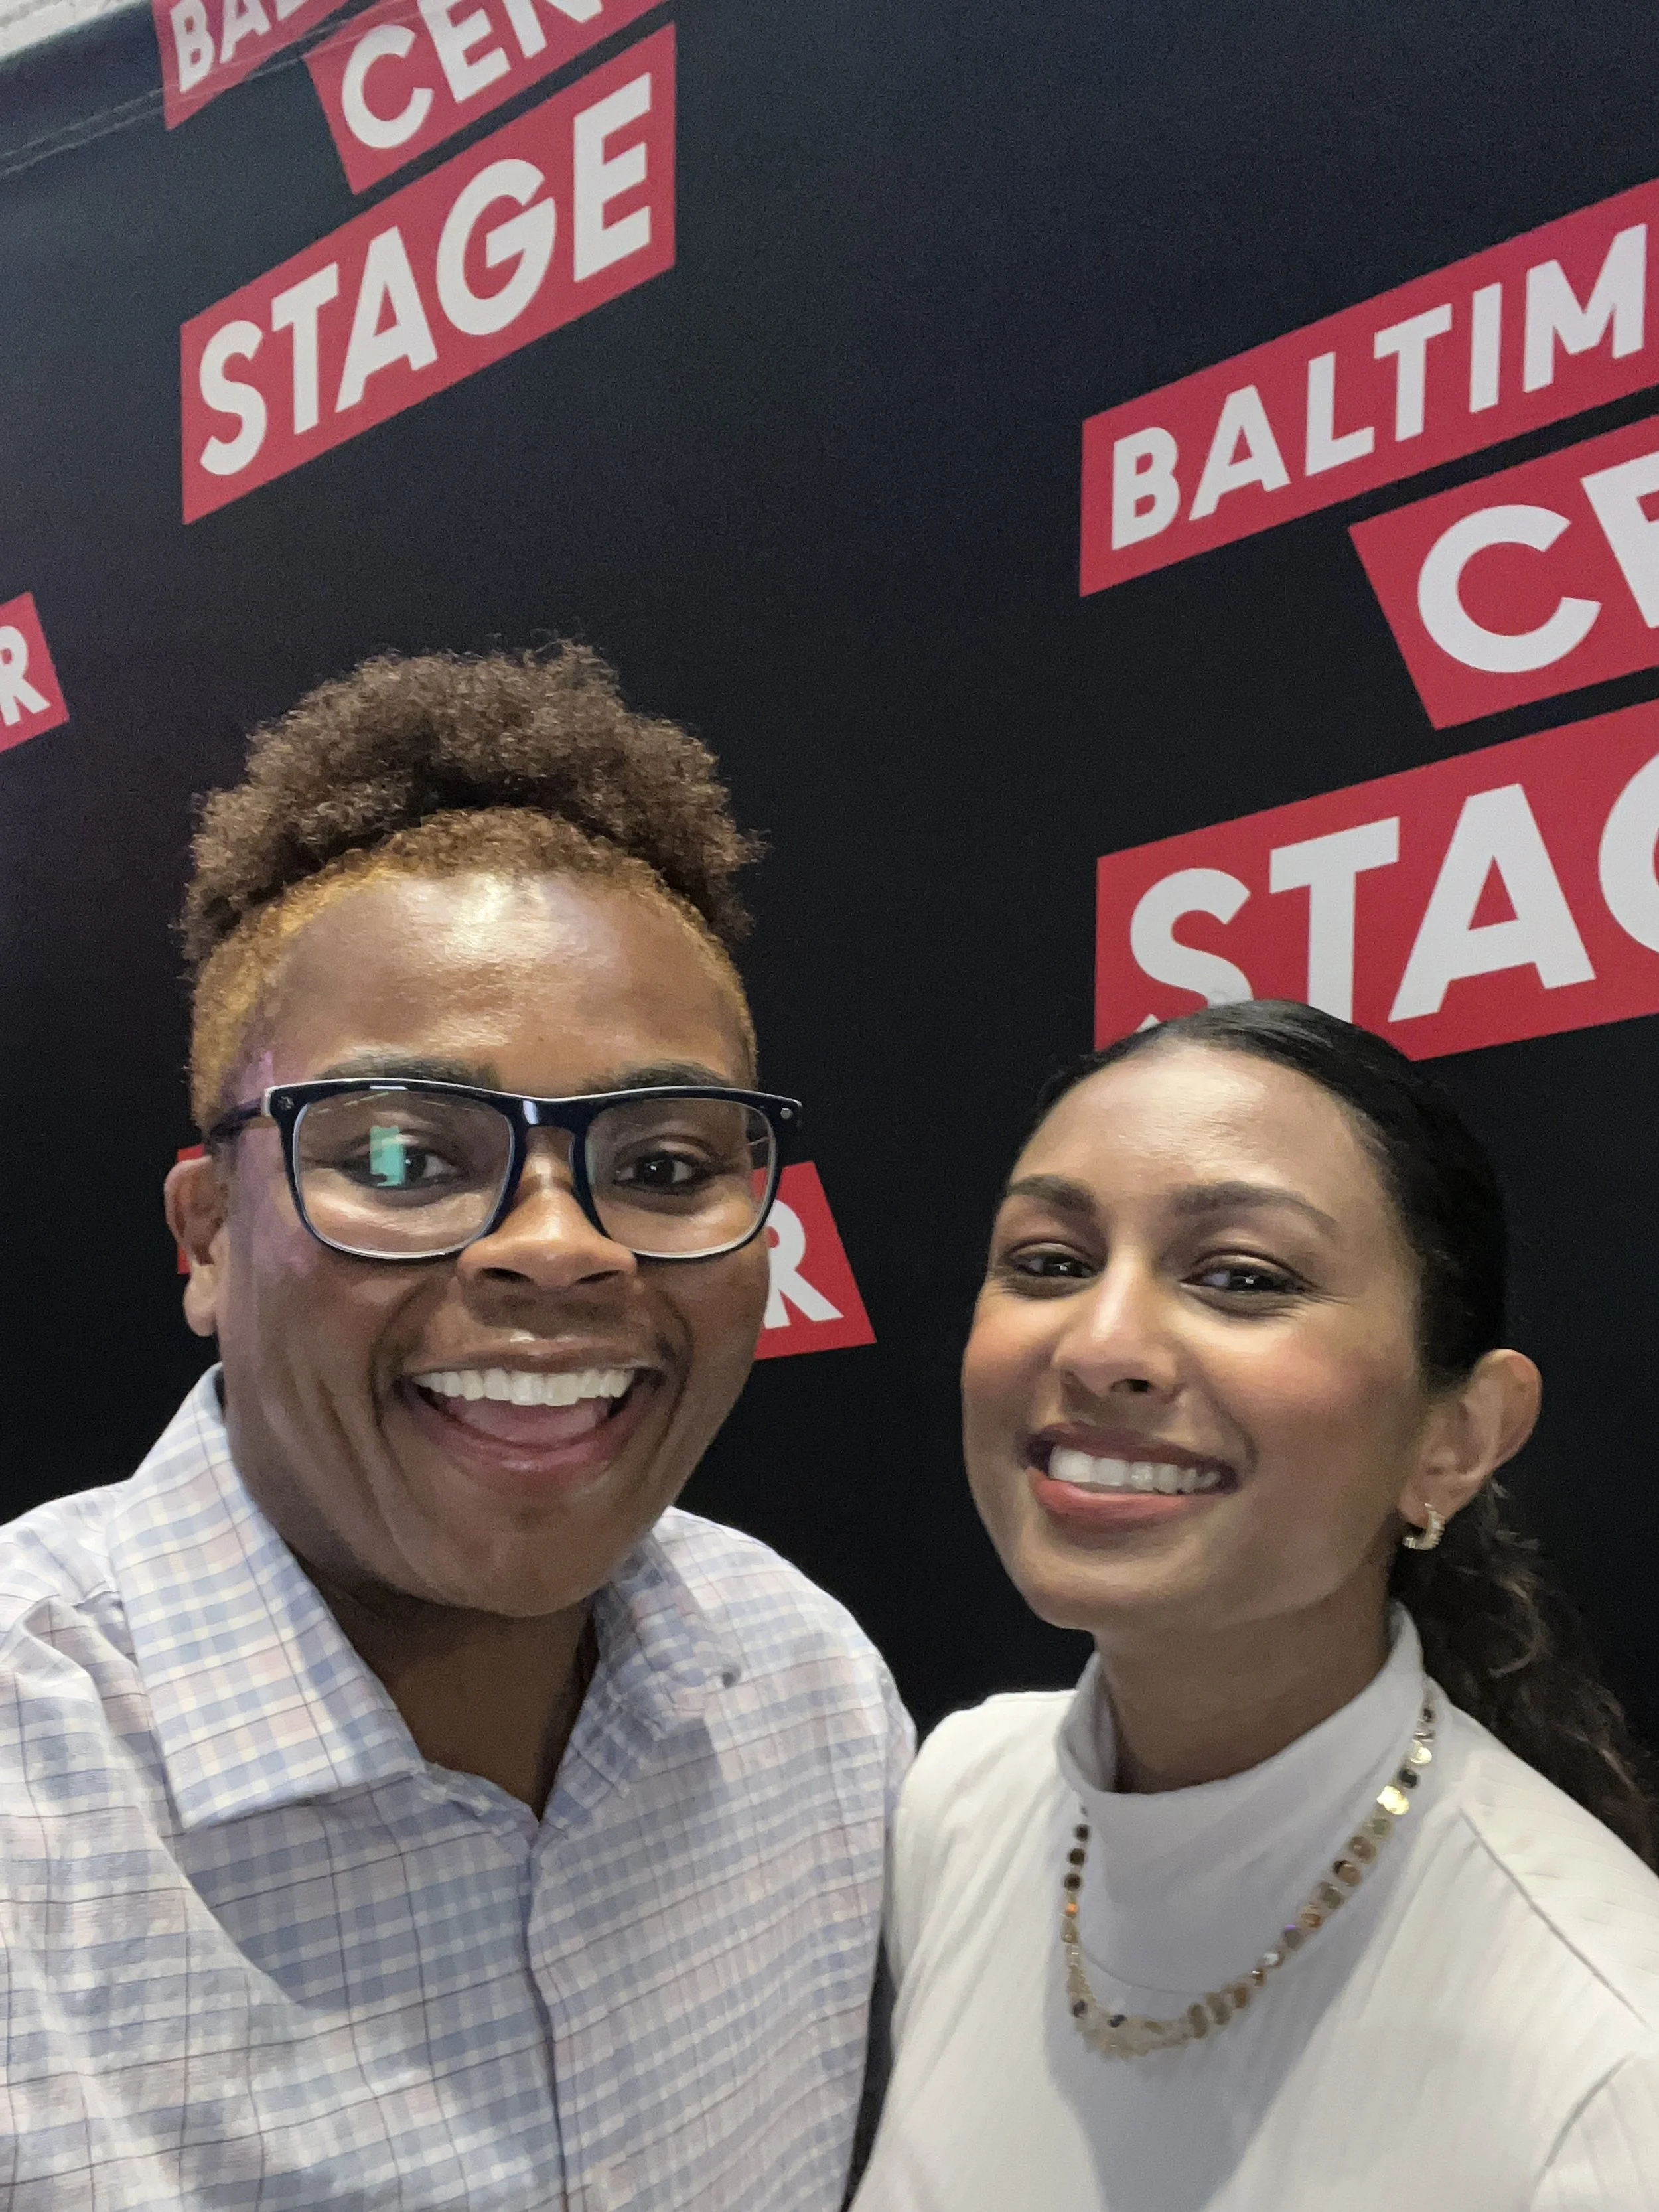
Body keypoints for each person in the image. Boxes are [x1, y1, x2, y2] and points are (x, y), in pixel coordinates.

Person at [0, 648, 909, 2209]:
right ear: (210, 1236)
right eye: (407, 1154)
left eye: (669, 1164)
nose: (559, 1246)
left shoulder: (806, 1686)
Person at [853, 999, 1659, 2212]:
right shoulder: (961, 1799)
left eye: (1240, 1277)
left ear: (1457, 1440)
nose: (1101, 1342)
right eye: (1051, 1263)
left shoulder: (1608, 2060)